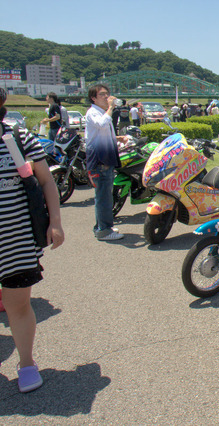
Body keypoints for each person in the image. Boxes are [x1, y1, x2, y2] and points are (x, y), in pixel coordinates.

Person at [0, 87, 65, 393]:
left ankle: (26, 363)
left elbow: (46, 182)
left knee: (18, 305)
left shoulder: (18, 140)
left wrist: (55, 222)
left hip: (15, 240)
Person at [85, 84, 126, 241]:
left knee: (105, 196)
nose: (107, 96)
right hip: (100, 161)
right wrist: (110, 108)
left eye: (107, 94)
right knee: (103, 198)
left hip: (106, 160)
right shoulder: (93, 113)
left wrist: (117, 138)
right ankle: (104, 231)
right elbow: (102, 125)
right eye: (102, 94)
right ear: (93, 98)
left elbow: (99, 134)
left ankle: (102, 226)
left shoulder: (101, 113)